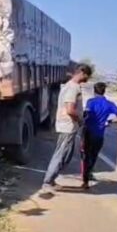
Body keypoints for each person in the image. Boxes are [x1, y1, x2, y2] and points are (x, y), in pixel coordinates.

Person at [41, 63, 92, 194]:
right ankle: (47, 182)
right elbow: (70, 109)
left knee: (66, 155)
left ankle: (51, 180)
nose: (87, 79)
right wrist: (80, 119)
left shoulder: (70, 86)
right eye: (87, 76)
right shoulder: (73, 88)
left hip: (68, 126)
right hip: (68, 126)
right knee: (61, 155)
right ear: (82, 73)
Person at [80, 82, 117, 189]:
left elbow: (86, 115)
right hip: (99, 134)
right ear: (104, 91)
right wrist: (109, 121)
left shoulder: (90, 102)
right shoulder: (109, 104)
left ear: (94, 91)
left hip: (88, 132)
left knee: (86, 155)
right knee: (94, 155)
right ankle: (89, 173)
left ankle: (85, 180)